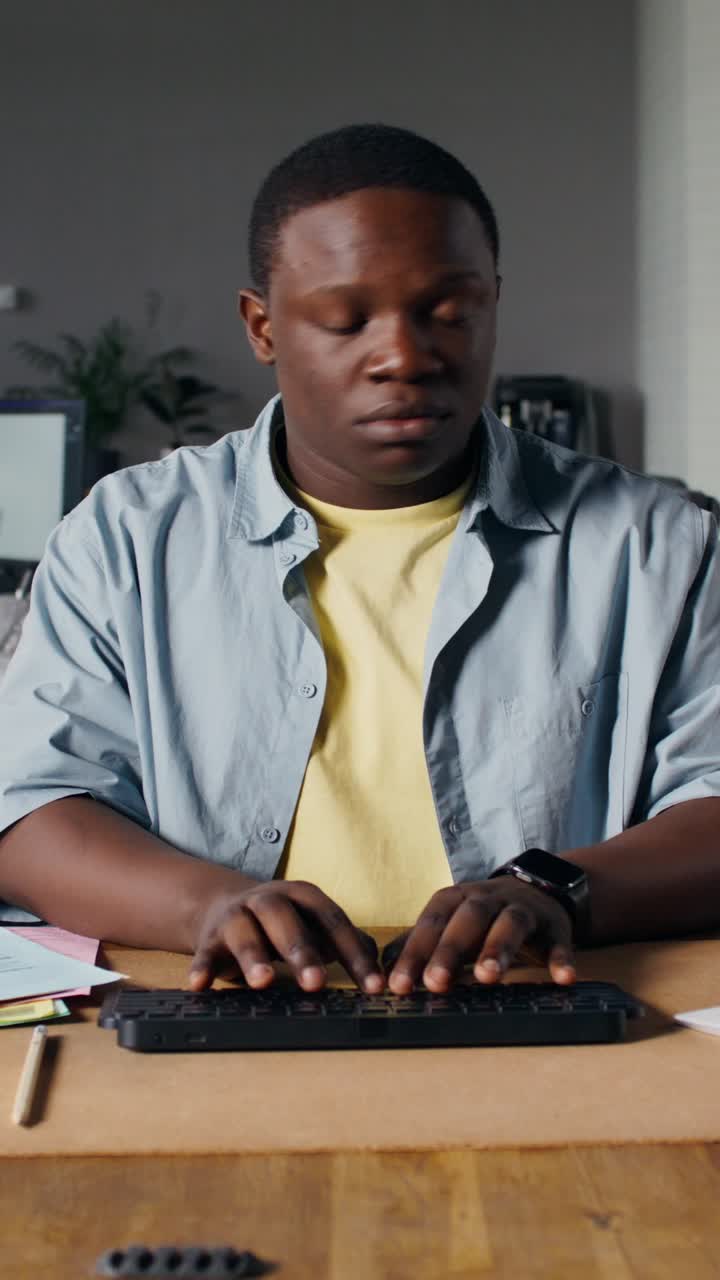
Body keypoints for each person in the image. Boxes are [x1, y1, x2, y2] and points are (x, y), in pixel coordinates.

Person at [1, 123, 719, 999]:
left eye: (450, 314)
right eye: (345, 321)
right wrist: (207, 906)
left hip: (543, 1007)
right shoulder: (125, 538)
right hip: (221, 1014)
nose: (405, 359)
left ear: (493, 302)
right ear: (263, 328)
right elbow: (30, 809)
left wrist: (557, 890)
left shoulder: (657, 546)